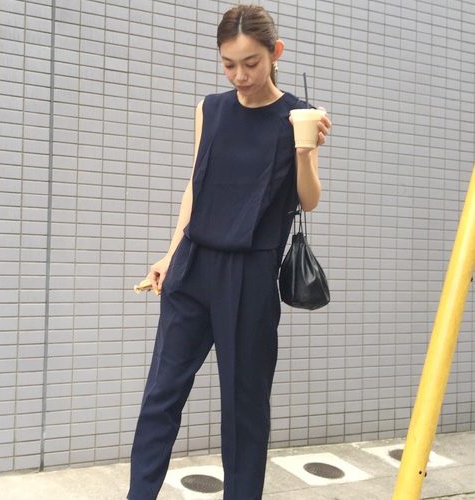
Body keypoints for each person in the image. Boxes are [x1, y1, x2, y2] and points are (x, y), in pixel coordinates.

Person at [128, 5, 331, 499]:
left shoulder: (298, 115)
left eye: (251, 63)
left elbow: (308, 200)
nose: (240, 75)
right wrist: (170, 253)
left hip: (251, 273)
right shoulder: (210, 109)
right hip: (193, 266)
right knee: (160, 397)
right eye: (228, 64)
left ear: (275, 53)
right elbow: (195, 186)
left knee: (244, 411)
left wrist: (305, 150)